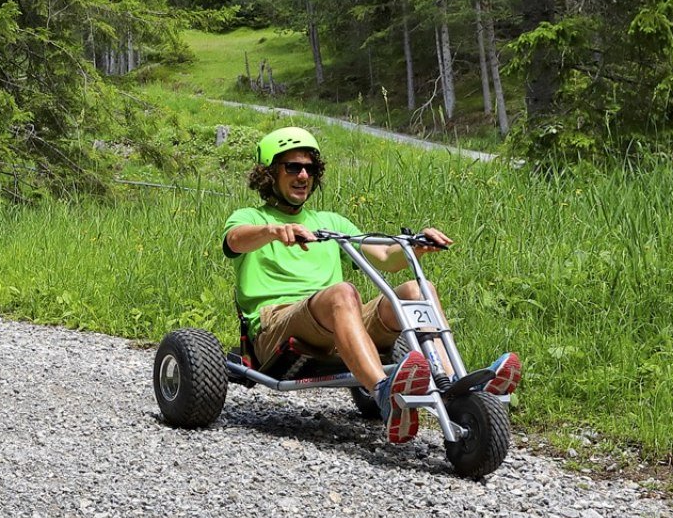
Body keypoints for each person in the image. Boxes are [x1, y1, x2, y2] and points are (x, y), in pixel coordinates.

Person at [221, 127, 519, 444]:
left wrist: (416, 245)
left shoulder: (330, 222)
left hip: (339, 321)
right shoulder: (249, 217)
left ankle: (455, 388)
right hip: (277, 327)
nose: (303, 175)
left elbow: (385, 257)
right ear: (269, 173)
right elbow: (235, 241)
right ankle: (383, 392)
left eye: (309, 168)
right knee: (343, 292)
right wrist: (273, 230)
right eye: (293, 167)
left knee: (420, 290)